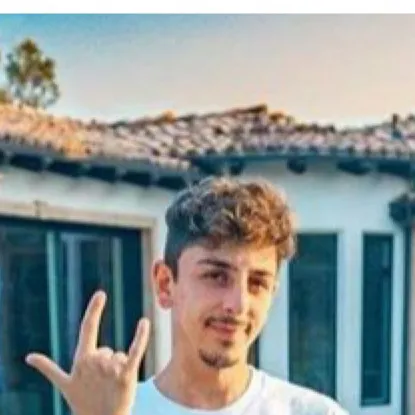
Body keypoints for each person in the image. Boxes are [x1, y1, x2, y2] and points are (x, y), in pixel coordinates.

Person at [25, 176, 349, 415]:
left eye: (257, 283)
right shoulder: (114, 410)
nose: (238, 304)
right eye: (216, 276)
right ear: (166, 284)